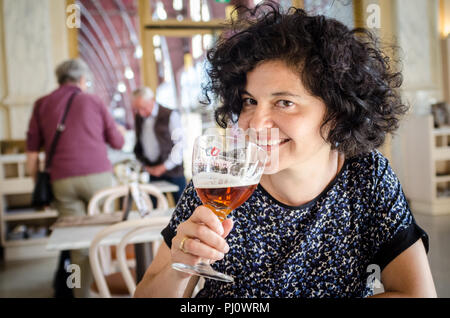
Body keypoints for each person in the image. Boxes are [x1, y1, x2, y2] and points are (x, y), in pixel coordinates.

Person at [134, 3, 437, 298]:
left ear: (337, 112)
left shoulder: (366, 177)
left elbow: (417, 292)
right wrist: (181, 268)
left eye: (284, 102)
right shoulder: (220, 182)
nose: (256, 122)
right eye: (249, 101)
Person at [26, 58, 125, 298]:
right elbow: (118, 142)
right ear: (82, 80)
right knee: (103, 238)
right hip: (98, 180)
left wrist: (39, 186)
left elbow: (31, 154)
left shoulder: (42, 104)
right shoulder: (93, 100)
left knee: (77, 247)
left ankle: (81, 294)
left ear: (59, 79)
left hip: (62, 180)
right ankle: (106, 288)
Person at [132, 87, 186, 203]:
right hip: (152, 172)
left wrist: (164, 166)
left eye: (143, 108)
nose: (140, 113)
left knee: (182, 209)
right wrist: (145, 165)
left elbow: (180, 145)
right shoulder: (139, 118)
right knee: (154, 211)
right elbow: (139, 143)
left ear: (152, 100)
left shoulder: (171, 115)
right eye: (137, 109)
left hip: (173, 172)